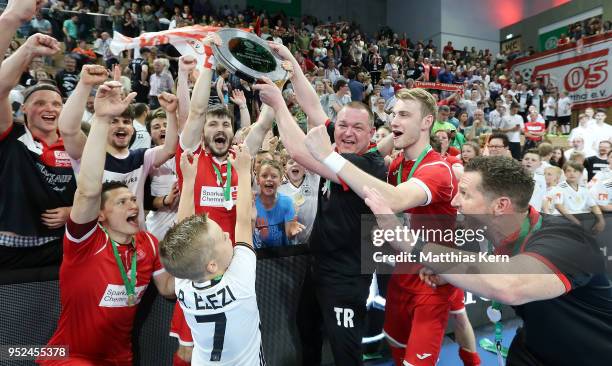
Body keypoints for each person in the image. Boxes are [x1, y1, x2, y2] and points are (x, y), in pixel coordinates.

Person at [363, 156, 612, 366]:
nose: (454, 202)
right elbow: (493, 267)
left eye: (465, 194)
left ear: (500, 205)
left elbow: (512, 285)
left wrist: (407, 242)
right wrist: (445, 270)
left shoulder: (566, 238)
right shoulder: (506, 240)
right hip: (534, 349)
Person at [301, 87, 480, 366]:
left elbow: (394, 199)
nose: (394, 121)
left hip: (430, 281)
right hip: (400, 277)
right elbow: (321, 116)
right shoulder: (395, 164)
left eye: (405, 115)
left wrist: (329, 156)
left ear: (426, 122)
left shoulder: (437, 169)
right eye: (394, 114)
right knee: (397, 350)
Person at [255, 41, 387, 366]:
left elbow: (301, 152)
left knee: (345, 354)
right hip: (318, 270)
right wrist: (292, 62)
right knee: (308, 335)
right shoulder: (338, 150)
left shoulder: (367, 164)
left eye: (358, 127)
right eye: (342, 125)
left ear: (372, 133)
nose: (347, 132)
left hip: (346, 278)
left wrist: (278, 106)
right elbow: (315, 109)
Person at [40, 80, 175, 365]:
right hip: (68, 357)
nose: (133, 204)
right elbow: (88, 191)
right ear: (100, 214)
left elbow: (169, 289)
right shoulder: (85, 242)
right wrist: (101, 117)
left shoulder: (149, 243)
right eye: (121, 202)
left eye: (133, 199)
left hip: (120, 359)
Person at [169, 33, 269, 365]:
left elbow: (264, 123)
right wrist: (209, 62)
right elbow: (195, 113)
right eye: (214, 123)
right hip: (199, 265)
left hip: (236, 264)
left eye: (225, 122)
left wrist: (276, 79)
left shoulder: (241, 159)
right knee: (189, 349)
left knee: (237, 347)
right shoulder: (192, 160)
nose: (219, 127)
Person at [160, 144, 267, 365]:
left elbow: (183, 228)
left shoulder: (185, 283)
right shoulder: (241, 283)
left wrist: (188, 181)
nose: (229, 235)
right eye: (223, 237)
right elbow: (244, 221)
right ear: (211, 265)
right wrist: (244, 173)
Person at [58, 64, 178, 229]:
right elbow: (68, 130)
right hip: (98, 240)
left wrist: (171, 113)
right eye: (114, 121)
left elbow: (170, 148)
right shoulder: (90, 155)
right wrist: (84, 85)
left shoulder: (141, 157)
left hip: (136, 239)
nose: (121, 126)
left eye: (126, 122)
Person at [0, 12, 74, 269]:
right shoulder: (13, 135)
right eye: (40, 103)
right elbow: (1, 88)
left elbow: (99, 191)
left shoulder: (76, 143)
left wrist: (72, 213)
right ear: (23, 110)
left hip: (59, 247)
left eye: (56, 103)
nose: (50, 108)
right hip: (10, 250)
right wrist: (26, 50)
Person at [253, 159, 303, 248]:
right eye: (264, 176)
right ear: (257, 180)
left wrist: (292, 232)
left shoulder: (286, 202)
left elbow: (289, 235)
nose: (269, 179)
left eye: (274, 176)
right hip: (259, 254)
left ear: (280, 180)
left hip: (281, 254)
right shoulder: (252, 203)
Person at [552, 161, 605, 234]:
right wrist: (576, 222)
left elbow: (594, 206)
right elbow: (559, 206)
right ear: (565, 173)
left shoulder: (584, 189)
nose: (572, 173)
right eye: (568, 171)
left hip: (582, 222)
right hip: (566, 223)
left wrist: (601, 221)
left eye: (575, 171)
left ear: (581, 174)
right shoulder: (559, 188)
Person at [278, 157, 321, 245]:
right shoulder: (280, 189)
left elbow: (313, 160)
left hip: (315, 239)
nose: (295, 164)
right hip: (291, 241)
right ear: (285, 168)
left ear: (305, 168)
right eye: (290, 162)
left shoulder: (314, 179)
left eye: (299, 162)